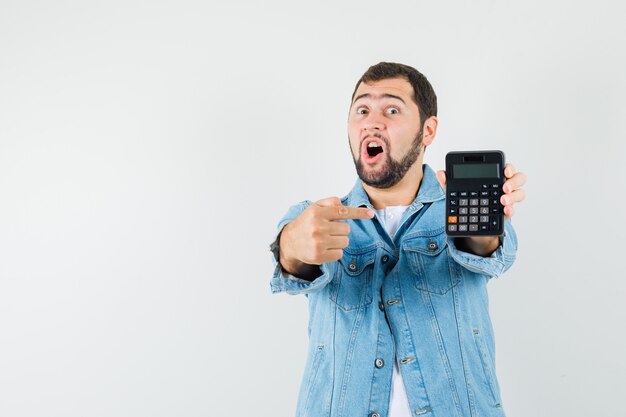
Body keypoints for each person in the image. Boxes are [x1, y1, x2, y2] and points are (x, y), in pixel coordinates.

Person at [268, 62, 527, 417]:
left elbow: (487, 249)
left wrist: (482, 226)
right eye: (362, 110)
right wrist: (291, 245)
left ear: (428, 130)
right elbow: (290, 256)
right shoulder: (317, 218)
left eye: (391, 109)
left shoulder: (460, 212)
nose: (372, 122)